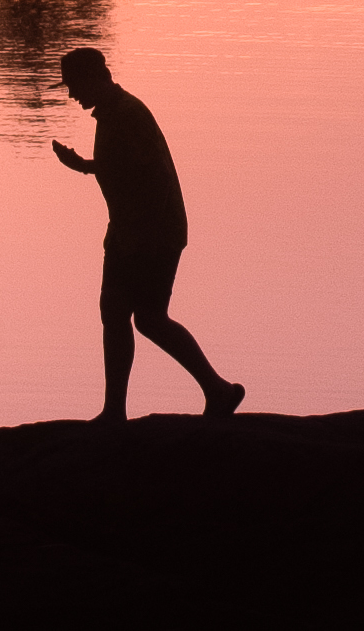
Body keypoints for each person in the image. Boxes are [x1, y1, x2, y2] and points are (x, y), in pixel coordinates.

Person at [52, 45, 244, 425]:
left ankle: (214, 391)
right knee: (124, 314)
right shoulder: (113, 114)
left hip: (149, 233)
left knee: (145, 317)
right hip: (134, 231)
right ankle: (125, 409)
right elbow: (125, 169)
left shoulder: (126, 114)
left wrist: (89, 170)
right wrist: (87, 167)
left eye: (74, 85)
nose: (71, 94)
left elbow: (144, 174)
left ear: (94, 78)